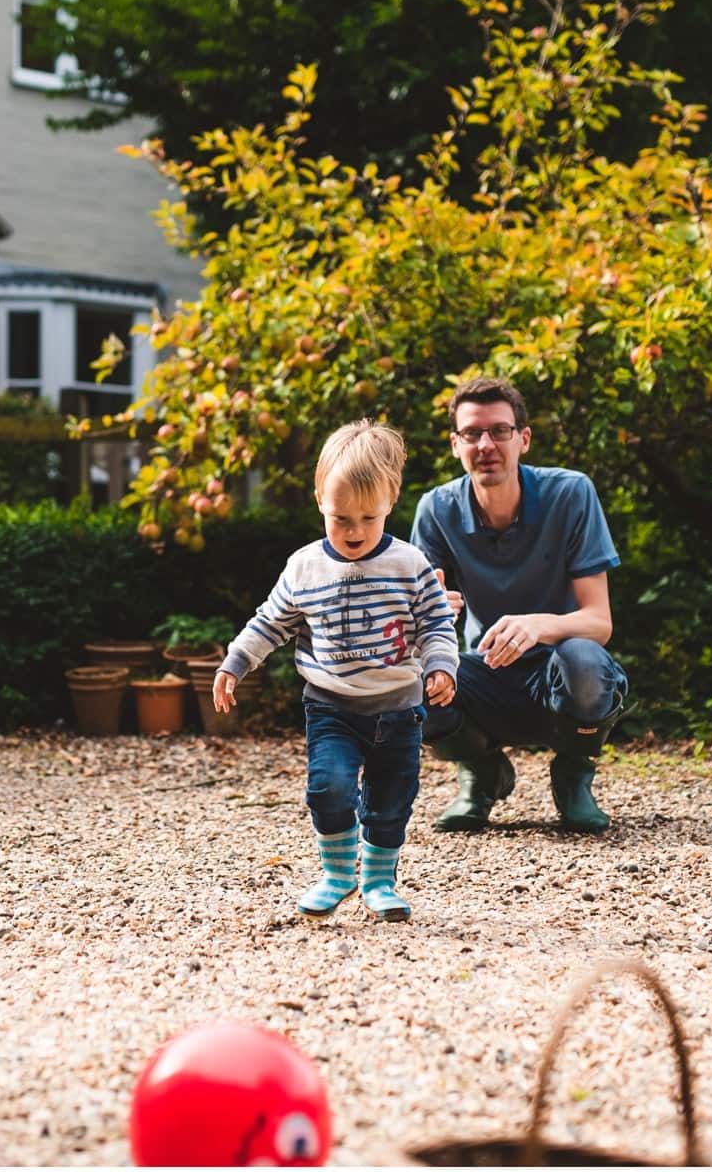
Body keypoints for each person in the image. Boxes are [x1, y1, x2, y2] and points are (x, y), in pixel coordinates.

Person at [212, 421, 458, 921]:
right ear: (319, 499)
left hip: (398, 710)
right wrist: (235, 663)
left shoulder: (409, 564)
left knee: (391, 801)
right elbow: (271, 621)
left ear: (391, 501)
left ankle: (378, 881)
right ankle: (337, 873)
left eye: (368, 518)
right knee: (329, 787)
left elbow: (436, 623)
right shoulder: (305, 567)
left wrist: (440, 667)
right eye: (339, 517)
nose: (353, 531)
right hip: (331, 706)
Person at [410, 377, 630, 835]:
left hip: (561, 672)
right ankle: (479, 772)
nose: (486, 444)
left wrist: (538, 626)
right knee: (410, 673)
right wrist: (430, 615)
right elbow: (417, 628)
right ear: (456, 444)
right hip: (484, 675)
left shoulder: (571, 494)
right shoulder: (436, 509)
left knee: (586, 659)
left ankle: (573, 777)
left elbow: (599, 621)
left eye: (500, 431)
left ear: (523, 439)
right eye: (472, 433)